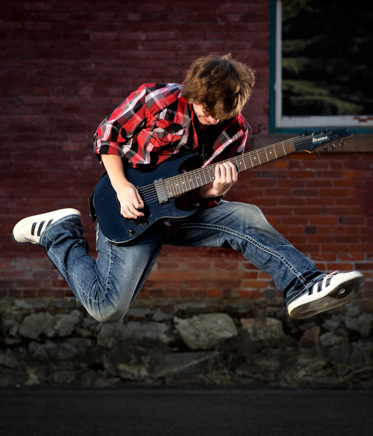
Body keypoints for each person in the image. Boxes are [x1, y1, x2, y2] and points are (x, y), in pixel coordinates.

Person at [12, 53, 364, 323]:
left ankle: (303, 282)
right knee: (107, 309)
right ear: (193, 94)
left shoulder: (237, 131)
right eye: (206, 112)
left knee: (247, 215)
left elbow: (206, 198)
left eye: (221, 114)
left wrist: (213, 193)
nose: (213, 119)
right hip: (127, 208)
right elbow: (108, 136)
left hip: (182, 214)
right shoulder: (157, 99)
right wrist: (121, 187)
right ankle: (59, 232)